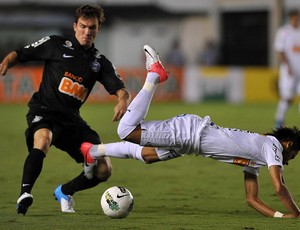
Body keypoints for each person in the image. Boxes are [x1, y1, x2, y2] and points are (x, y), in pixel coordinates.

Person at [81, 45, 300, 218]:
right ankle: (154, 75)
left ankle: (94, 151)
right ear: (288, 144)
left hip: (191, 143)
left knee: (148, 156)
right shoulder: (272, 146)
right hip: (189, 133)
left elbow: (252, 200)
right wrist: (298, 213)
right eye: (293, 154)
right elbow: (279, 187)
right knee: (126, 130)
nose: (290, 159)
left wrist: (281, 216)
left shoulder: (257, 156)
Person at [0, 4, 131, 215]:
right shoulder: (56, 44)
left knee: (104, 170)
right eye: (83, 26)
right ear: (74, 26)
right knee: (42, 139)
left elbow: (121, 89)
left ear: (98, 29)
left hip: (71, 121)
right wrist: (6, 61)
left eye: (92, 28)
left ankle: (64, 191)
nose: (87, 32)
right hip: (44, 110)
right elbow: (21, 53)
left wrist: (123, 101)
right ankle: (25, 193)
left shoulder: (99, 62)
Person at [274, 9, 300, 128]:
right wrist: (287, 66)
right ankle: (279, 121)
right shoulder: (284, 32)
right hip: (288, 71)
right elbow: (280, 51)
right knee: (287, 97)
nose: (297, 19)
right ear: (291, 18)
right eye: (295, 17)